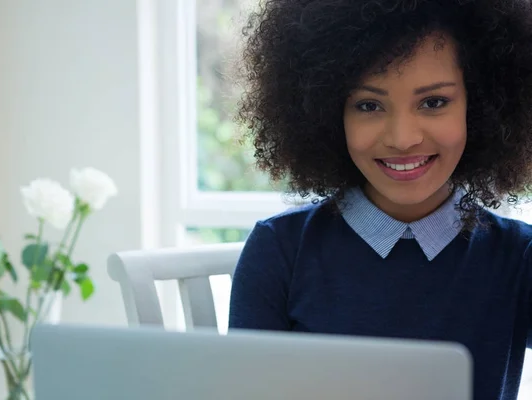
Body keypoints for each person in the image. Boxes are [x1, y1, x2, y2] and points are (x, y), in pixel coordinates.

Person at [228, 1, 532, 399]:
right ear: (327, 115)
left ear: (482, 108)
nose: (402, 138)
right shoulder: (280, 250)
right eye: (369, 105)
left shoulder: (519, 257)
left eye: (434, 102)